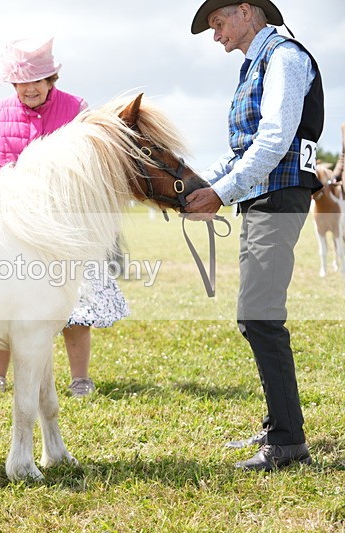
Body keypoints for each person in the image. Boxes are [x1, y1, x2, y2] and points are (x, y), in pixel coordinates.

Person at [186, 0, 324, 471]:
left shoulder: (284, 56)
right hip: (263, 197)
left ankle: (288, 443)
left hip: (280, 196)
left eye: (218, 22)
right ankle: (278, 427)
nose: (215, 34)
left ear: (246, 12)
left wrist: (220, 193)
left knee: (259, 316)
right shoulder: (256, 64)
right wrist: (197, 185)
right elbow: (242, 150)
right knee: (255, 316)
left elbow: (274, 140)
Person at [0, 37, 129, 397]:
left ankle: (80, 378)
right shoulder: (0, 111)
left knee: (74, 303)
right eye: (21, 82)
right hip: (14, 221)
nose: (29, 88)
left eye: (36, 80)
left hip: (66, 221)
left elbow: (92, 161)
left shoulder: (76, 108)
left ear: (50, 79)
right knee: (5, 301)